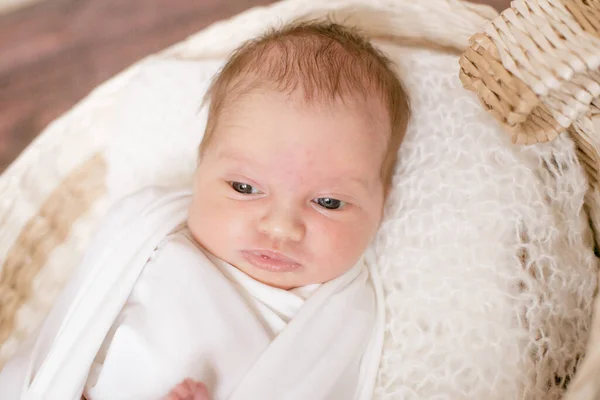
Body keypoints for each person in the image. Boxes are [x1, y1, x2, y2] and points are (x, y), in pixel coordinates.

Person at [0, 20, 410, 400]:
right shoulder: (147, 232)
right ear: (201, 168)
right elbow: (63, 344)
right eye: (245, 188)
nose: (281, 228)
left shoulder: (336, 324)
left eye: (329, 203)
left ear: (381, 201)